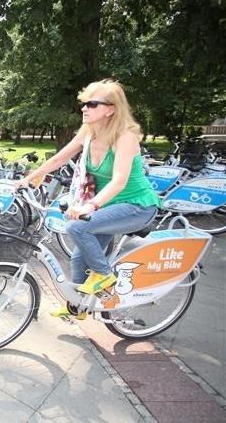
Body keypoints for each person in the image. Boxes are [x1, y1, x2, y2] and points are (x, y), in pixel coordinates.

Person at [17, 79, 161, 319]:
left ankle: (104, 276)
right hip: (110, 206)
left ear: (110, 109)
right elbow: (58, 159)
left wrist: (89, 206)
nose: (84, 108)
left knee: (77, 228)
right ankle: (79, 307)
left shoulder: (125, 137)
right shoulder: (88, 132)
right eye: (84, 103)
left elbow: (119, 181)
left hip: (137, 206)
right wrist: (29, 179)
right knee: (78, 257)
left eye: (92, 104)